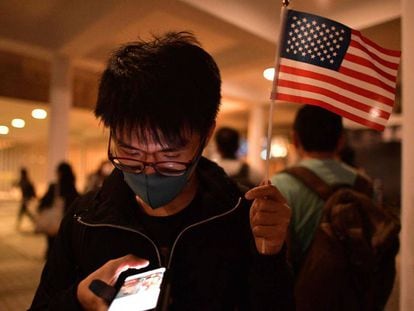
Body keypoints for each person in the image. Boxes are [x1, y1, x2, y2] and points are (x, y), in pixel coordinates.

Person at [30, 31, 293, 310]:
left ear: (206, 135)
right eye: (130, 151)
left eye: (169, 155)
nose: (148, 171)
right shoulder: (85, 219)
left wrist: (271, 258)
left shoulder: (242, 216)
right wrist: (78, 298)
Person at [271, 105, 364, 272]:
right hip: (355, 291)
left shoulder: (279, 185)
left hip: (301, 290)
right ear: (341, 141)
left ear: (295, 139)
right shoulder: (364, 184)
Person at [36, 161, 79, 259]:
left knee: (51, 242)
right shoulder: (72, 188)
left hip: (54, 220)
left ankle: (50, 258)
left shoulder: (54, 187)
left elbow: (45, 201)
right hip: (66, 221)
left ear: (60, 172)